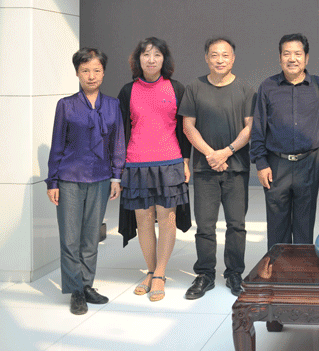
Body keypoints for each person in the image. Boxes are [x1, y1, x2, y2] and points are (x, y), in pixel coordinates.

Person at [47, 48, 125, 315]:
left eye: (96, 70)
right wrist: (52, 181)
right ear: (77, 73)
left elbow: (117, 143)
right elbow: (57, 144)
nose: (91, 76)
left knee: (91, 237)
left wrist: (116, 176)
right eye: (85, 70)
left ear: (103, 72)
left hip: (101, 178)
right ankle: (75, 291)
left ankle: (87, 284)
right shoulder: (66, 105)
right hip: (69, 178)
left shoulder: (112, 105)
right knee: (70, 238)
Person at [181, 38, 255, 299]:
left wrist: (226, 152)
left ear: (233, 58)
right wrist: (211, 154)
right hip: (205, 169)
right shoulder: (194, 87)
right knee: (204, 225)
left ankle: (234, 273)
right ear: (206, 58)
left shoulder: (245, 89)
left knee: (237, 224)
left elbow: (250, 127)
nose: (220, 60)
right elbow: (188, 126)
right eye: (214, 55)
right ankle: (205, 274)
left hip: (236, 168)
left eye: (225, 55)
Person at [118, 37, 192, 302]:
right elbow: (120, 131)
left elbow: (185, 128)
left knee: (167, 218)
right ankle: (150, 270)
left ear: (164, 59)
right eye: (146, 55)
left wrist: (185, 161)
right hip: (136, 163)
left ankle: (160, 273)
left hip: (169, 161)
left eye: (157, 55)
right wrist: (118, 167)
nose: (151, 60)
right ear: (138, 59)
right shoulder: (127, 91)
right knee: (143, 220)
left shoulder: (176, 88)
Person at [250, 33, 319, 249]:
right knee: (277, 225)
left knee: (304, 224)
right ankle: (278, 268)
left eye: (298, 54)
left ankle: (301, 267)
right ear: (280, 58)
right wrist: (261, 163)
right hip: (276, 165)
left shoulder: (318, 85)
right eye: (286, 54)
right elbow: (258, 128)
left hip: (309, 163)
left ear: (306, 57)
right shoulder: (268, 86)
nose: (292, 59)